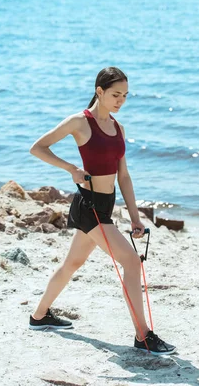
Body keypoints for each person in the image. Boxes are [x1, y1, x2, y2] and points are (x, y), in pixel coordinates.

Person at [28, 67, 175, 355]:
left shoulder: (118, 128)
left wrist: (134, 217)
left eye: (125, 96)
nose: (121, 100)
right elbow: (38, 147)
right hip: (89, 206)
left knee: (72, 264)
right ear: (100, 91)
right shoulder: (80, 122)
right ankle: (143, 335)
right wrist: (71, 168)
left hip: (105, 207)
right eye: (115, 94)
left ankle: (39, 316)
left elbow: (124, 177)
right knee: (132, 263)